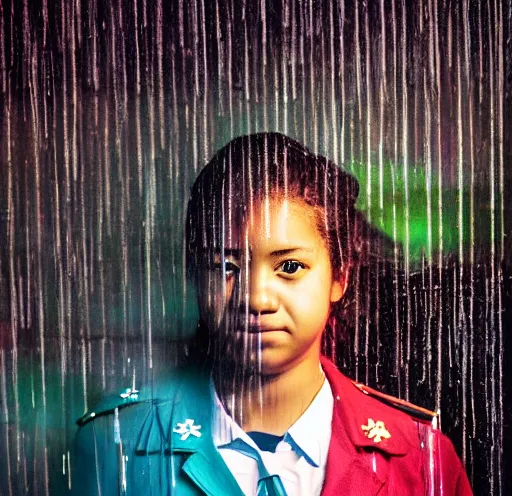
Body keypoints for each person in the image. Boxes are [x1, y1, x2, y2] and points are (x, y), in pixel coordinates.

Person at [72, 132, 472, 495]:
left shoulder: (420, 460)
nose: (257, 298)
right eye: (225, 267)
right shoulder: (116, 443)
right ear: (195, 276)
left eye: (290, 267)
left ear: (340, 276)